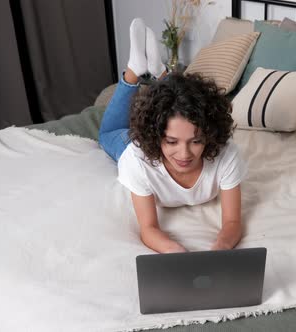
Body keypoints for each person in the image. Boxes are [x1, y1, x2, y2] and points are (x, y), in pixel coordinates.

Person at [98, 18, 247, 254]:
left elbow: (232, 223)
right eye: (172, 141)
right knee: (106, 135)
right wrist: (176, 253)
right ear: (157, 137)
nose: (184, 154)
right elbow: (148, 228)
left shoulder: (226, 156)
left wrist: (220, 249)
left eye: (196, 141)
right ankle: (133, 72)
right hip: (136, 143)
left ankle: (160, 73)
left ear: (209, 135)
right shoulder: (136, 159)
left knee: (178, 100)